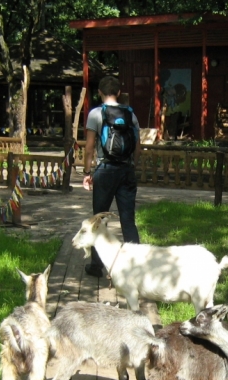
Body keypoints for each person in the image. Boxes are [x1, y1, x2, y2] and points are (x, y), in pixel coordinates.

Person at [82, 75, 142, 277]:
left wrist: (87, 171)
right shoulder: (130, 115)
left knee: (98, 219)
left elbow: (89, 147)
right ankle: (136, 266)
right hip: (126, 171)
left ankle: (97, 266)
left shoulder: (96, 114)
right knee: (128, 219)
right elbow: (137, 145)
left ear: (99, 93)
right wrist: (132, 165)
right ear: (118, 93)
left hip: (105, 171)